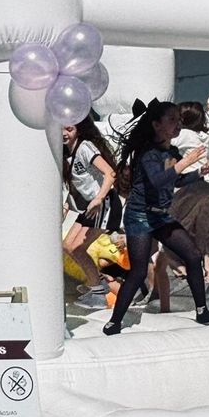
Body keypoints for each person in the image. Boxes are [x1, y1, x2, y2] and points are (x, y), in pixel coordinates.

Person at [103, 99, 209, 335]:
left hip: (161, 216)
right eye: (172, 120)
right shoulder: (149, 154)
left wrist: (198, 172)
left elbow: (175, 180)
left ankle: (202, 311)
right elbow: (158, 180)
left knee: (193, 256)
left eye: (179, 120)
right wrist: (187, 162)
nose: (178, 124)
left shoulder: (172, 152)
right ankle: (115, 321)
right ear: (156, 125)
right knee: (139, 270)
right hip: (140, 216)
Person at [170, 94, 209, 286]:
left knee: (177, 228)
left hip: (189, 186)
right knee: (206, 230)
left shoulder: (183, 135)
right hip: (206, 187)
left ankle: (181, 267)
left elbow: (164, 140)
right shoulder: (202, 136)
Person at [62, 119, 118, 305]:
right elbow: (78, 186)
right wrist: (67, 205)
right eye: (61, 129)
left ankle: (98, 292)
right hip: (90, 206)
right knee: (68, 245)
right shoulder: (67, 154)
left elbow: (110, 173)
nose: (64, 133)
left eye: (69, 129)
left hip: (104, 203)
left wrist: (99, 198)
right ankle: (98, 280)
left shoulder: (85, 147)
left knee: (77, 248)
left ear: (78, 129)